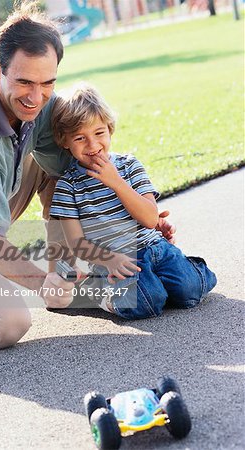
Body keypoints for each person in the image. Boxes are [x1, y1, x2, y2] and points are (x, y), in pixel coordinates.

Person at [0, 2, 175, 350]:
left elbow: (79, 169)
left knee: (62, 162)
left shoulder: (37, 103)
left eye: (47, 82)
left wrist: (136, 222)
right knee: (6, 324)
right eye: (24, 82)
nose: (36, 98)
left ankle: (65, 274)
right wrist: (41, 283)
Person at [50, 83, 217, 319]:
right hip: (115, 261)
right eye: (80, 138)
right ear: (64, 141)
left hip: (154, 248)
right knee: (147, 303)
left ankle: (170, 274)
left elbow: (150, 219)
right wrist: (109, 259)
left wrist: (116, 182)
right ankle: (96, 290)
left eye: (99, 133)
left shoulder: (129, 166)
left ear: (110, 129)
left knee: (191, 291)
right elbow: (77, 243)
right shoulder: (68, 186)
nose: (93, 145)